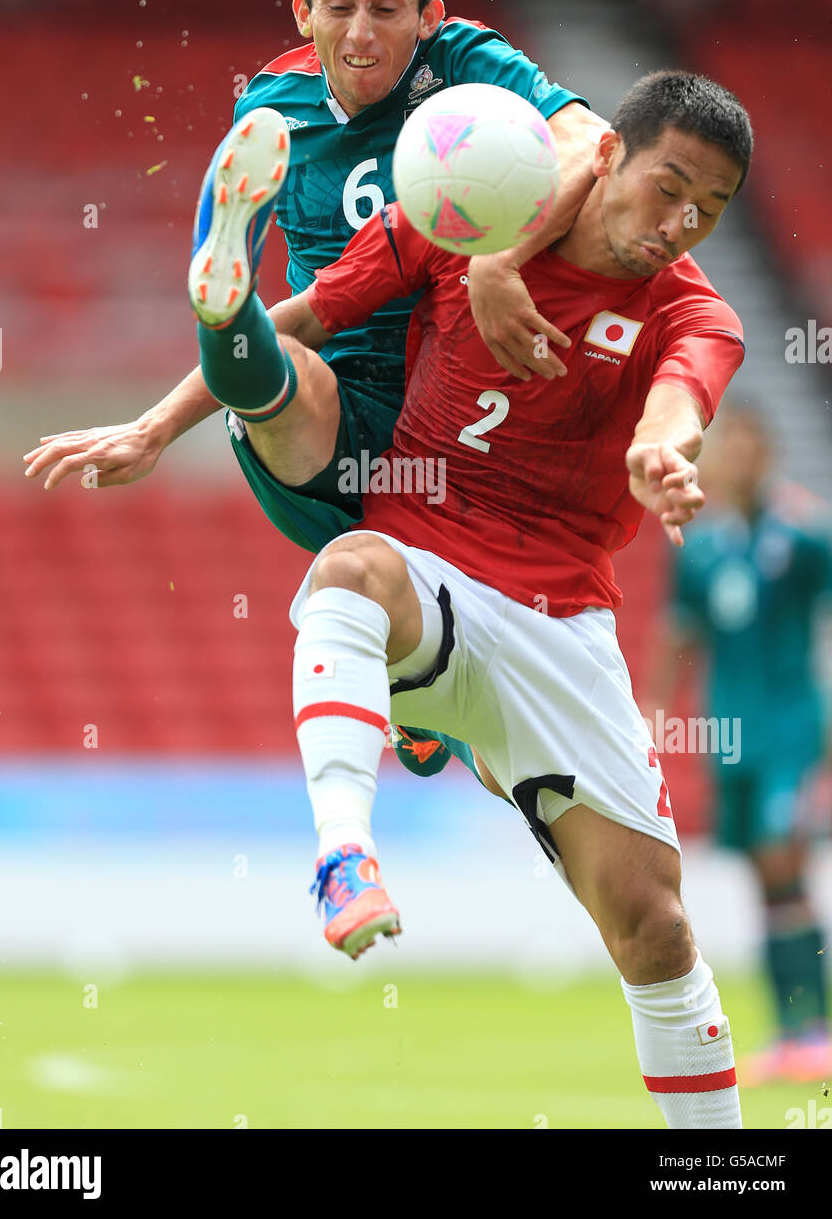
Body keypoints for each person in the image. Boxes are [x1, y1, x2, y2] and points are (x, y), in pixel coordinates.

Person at [23, 0, 605, 781]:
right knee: (291, 363)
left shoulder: (466, 63)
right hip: (337, 412)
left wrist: (500, 259)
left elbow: (593, 141)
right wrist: (153, 429)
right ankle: (224, 311)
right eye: (340, 4)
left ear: (429, 17)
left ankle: (231, 327)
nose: (363, 30)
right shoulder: (273, 107)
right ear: (304, 12)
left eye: (387, 6)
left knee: (406, 610)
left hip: (453, 440)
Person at [275, 68, 752, 1129]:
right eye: (668, 186)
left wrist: (661, 454)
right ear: (605, 155)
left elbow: (679, 403)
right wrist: (166, 412)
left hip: (562, 626)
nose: (680, 223)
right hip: (433, 566)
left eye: (708, 210)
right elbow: (291, 322)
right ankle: (345, 850)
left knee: (656, 928)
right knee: (348, 569)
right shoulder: (466, 212)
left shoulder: (698, 314)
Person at [651, 405, 832, 1084]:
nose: (739, 460)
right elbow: (679, 633)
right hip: (731, 737)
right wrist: (654, 711)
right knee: (763, 880)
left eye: (751, 448)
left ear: (769, 456)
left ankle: (814, 1028)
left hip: (790, 731)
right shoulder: (702, 547)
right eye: (730, 449)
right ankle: (790, 1036)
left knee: (782, 860)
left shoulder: (807, 535)